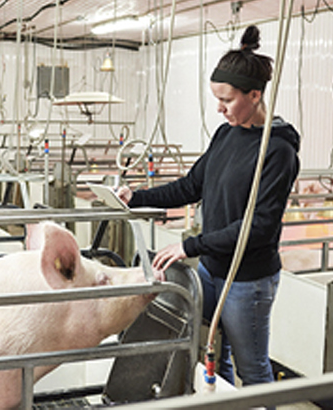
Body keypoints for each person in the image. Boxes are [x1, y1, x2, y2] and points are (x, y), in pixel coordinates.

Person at [119, 25, 299, 388]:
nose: (219, 108)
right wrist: (137, 197)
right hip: (211, 270)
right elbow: (191, 185)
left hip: (247, 279)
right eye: (217, 98)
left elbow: (259, 227)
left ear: (255, 94)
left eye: (227, 100)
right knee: (215, 359)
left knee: (254, 369)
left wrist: (190, 245)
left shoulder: (278, 151)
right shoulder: (225, 134)